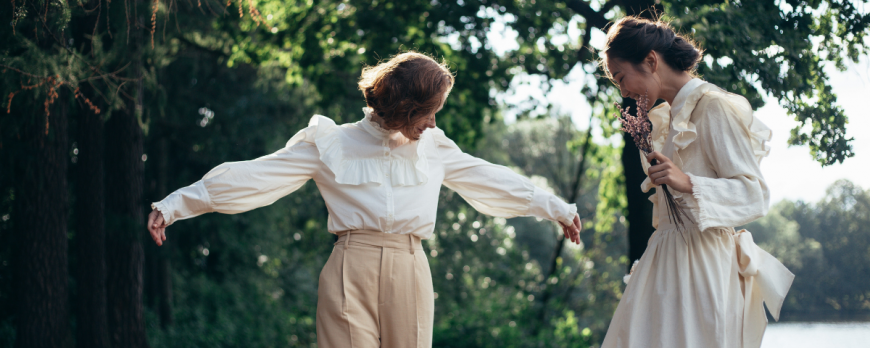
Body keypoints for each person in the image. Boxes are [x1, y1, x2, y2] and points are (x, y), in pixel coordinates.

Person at [146, 51, 582, 348]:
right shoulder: (331, 142)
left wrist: (558, 209)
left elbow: (491, 180)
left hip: (410, 267)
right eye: (428, 112)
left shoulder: (434, 147)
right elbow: (257, 175)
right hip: (349, 269)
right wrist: (175, 205)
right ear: (406, 106)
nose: (433, 123)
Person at [598, 17, 794, 348]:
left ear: (650, 61)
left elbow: (755, 194)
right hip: (664, 264)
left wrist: (688, 182)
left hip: (702, 268)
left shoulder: (712, 106)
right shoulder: (667, 120)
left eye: (620, 78)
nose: (623, 91)